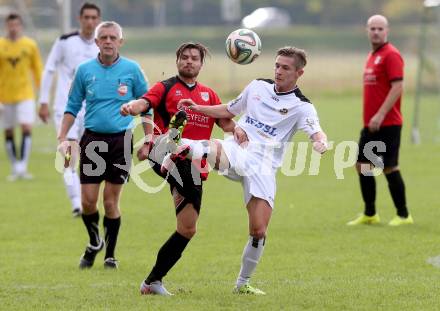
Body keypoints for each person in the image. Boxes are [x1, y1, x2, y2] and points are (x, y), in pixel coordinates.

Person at [160, 46, 328, 295]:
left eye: (286, 68)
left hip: (264, 166)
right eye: (277, 65)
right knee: (218, 151)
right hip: (241, 149)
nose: (279, 71)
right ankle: (178, 147)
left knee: (259, 231)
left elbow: (316, 131)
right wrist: (196, 107)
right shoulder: (258, 86)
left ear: (299, 73)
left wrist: (320, 141)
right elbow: (229, 110)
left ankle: (243, 283)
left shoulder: (302, 106)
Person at [120, 42, 243, 295]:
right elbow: (144, 102)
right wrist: (132, 107)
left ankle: (152, 282)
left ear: (200, 64)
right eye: (184, 57)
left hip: (193, 165)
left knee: (187, 228)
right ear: (177, 61)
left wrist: (239, 129)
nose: (189, 61)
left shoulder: (209, 95)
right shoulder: (165, 88)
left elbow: (224, 122)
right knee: (178, 153)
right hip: (165, 154)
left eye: (194, 58)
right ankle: (174, 149)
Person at [57, 21, 148, 269]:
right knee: (88, 201)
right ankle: (95, 240)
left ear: (121, 42)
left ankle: (110, 254)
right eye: (103, 37)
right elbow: (72, 106)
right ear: (96, 42)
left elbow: (147, 104)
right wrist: (63, 137)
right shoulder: (85, 70)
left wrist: (149, 139)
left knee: (110, 202)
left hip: (121, 140)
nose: (108, 41)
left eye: (112, 37)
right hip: (93, 140)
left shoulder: (132, 70)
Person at [347, 15, 413, 226]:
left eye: (380, 29)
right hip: (372, 125)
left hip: (388, 123)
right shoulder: (372, 55)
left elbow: (397, 87)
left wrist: (380, 114)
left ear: (387, 31)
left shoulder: (391, 55)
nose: (376, 32)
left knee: (389, 167)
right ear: (367, 30)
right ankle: (370, 213)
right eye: (372, 28)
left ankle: (403, 215)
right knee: (362, 165)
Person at [38, 2, 101, 217]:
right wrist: (43, 101)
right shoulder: (65, 42)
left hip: (92, 109)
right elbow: (49, 68)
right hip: (65, 107)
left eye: (94, 18)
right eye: (87, 17)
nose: (90, 21)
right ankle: (76, 203)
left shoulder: (102, 45)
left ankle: (87, 200)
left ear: (98, 21)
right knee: (69, 154)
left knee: (92, 158)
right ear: (79, 18)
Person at [0, 13, 43, 180]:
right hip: (4, 95)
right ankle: (14, 167)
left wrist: (43, 92)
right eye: (10, 25)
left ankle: (23, 166)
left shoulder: (30, 45)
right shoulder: (1, 45)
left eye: (16, 25)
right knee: (9, 131)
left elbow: (37, 68)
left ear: (21, 26)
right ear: (6, 26)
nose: (13, 28)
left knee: (26, 127)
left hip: (25, 93)